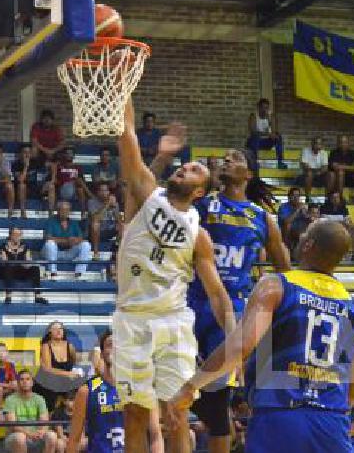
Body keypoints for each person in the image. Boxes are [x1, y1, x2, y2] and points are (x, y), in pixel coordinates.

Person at [170, 221, 354, 453]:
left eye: (304, 235)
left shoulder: (277, 285)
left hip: (280, 415)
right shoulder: (351, 307)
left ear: (308, 245)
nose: (300, 238)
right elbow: (352, 388)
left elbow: (240, 347)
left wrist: (191, 386)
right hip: (331, 422)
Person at [114, 97, 238, 453]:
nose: (186, 169)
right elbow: (127, 136)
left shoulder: (199, 235)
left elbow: (216, 294)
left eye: (195, 170)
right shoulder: (148, 193)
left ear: (201, 191)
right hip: (132, 319)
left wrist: (233, 341)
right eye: (185, 166)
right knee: (135, 413)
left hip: (173, 321)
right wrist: (124, 89)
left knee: (177, 411)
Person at [178, 147, 291, 453]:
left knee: (216, 404)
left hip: (230, 311)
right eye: (225, 158)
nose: (227, 160)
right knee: (174, 391)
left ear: (249, 174)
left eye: (236, 158)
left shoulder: (262, 219)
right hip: (190, 302)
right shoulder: (203, 205)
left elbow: (285, 270)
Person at [66, 330, 125, 453]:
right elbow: (74, 440)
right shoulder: (86, 391)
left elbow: (155, 435)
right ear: (102, 354)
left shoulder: (138, 389)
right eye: (110, 345)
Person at [4, 370, 58, 453]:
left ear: (32, 383)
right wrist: (29, 434)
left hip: (36, 436)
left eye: (28, 379)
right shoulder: (10, 400)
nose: (25, 382)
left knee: (52, 436)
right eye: (22, 379)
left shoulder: (39, 399)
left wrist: (41, 432)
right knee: (20, 437)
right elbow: (13, 425)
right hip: (16, 437)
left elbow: (45, 422)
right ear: (18, 383)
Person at [33, 321, 82, 413]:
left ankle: (76, 414)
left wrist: (71, 374)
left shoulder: (70, 346)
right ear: (50, 332)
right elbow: (47, 369)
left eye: (61, 328)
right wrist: (67, 373)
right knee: (52, 384)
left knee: (81, 383)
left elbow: (73, 362)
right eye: (55, 329)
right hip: (46, 381)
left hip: (63, 381)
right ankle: (49, 415)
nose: (59, 331)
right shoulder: (46, 346)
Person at [42, 201, 92, 275]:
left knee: (86, 244)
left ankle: (80, 272)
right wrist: (66, 241)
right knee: (50, 244)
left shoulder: (73, 223)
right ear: (58, 210)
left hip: (69, 252)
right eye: (62, 210)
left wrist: (76, 240)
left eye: (67, 210)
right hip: (54, 252)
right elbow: (47, 238)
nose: (65, 212)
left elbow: (81, 238)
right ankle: (53, 271)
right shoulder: (51, 221)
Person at [0, 227, 45, 304]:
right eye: (15, 234)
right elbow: (4, 261)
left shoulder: (25, 246)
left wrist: (26, 264)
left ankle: (38, 296)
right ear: (10, 235)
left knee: (35, 268)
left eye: (19, 234)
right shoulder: (4, 246)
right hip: (8, 271)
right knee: (8, 267)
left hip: (20, 269)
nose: (17, 237)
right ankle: (8, 296)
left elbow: (28, 260)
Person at [317, 190, 354, 258]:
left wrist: (348, 223)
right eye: (333, 197)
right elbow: (323, 222)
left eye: (337, 197)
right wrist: (340, 222)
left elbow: (348, 221)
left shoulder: (343, 209)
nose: (335, 199)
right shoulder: (323, 208)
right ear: (330, 199)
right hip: (328, 230)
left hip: (342, 229)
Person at [245, 98, 286, 169]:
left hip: (264, 143)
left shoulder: (271, 116)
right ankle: (254, 162)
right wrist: (268, 134)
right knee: (255, 136)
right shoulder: (253, 116)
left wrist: (269, 121)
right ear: (258, 108)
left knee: (278, 136)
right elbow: (253, 131)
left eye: (266, 108)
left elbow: (274, 132)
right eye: (262, 107)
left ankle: (280, 162)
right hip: (253, 143)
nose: (264, 110)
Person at [87, 182, 123, 260]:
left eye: (106, 190)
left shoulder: (114, 203)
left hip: (109, 230)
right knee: (95, 225)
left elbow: (119, 221)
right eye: (101, 191)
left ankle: (116, 252)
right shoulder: (92, 202)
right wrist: (107, 205)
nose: (104, 193)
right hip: (96, 232)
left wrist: (114, 207)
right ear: (97, 192)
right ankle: (96, 253)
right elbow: (95, 218)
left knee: (122, 226)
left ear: (109, 192)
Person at [0, 342, 20, 422]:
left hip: (6, 389)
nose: (1, 353)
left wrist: (13, 384)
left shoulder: (10, 365)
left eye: (3, 351)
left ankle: (19, 414)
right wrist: (8, 385)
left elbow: (14, 380)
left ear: (7, 353)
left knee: (18, 387)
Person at [328, 135, 354, 202]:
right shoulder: (334, 153)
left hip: (350, 178)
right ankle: (340, 197)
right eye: (341, 142)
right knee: (341, 173)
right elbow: (335, 167)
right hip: (337, 179)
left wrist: (342, 166)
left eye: (345, 142)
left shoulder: (353, 153)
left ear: (348, 143)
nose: (343, 144)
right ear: (338, 144)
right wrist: (350, 167)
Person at [300, 137, 331, 201]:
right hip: (307, 173)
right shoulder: (305, 151)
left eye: (320, 144)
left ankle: (327, 198)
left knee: (330, 174)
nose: (318, 145)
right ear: (312, 144)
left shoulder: (324, 153)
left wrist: (318, 172)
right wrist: (314, 170)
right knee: (309, 173)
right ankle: (308, 197)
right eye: (316, 143)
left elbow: (325, 168)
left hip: (320, 174)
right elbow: (305, 166)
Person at [14, 144, 39, 219]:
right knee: (22, 185)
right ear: (20, 154)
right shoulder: (16, 164)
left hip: (34, 189)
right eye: (25, 152)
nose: (27, 154)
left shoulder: (35, 162)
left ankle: (50, 215)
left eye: (29, 152)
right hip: (20, 190)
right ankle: (22, 211)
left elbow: (51, 165)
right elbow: (20, 179)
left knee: (50, 186)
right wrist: (26, 167)